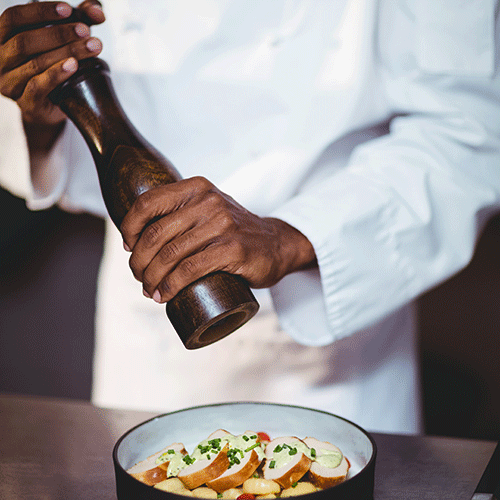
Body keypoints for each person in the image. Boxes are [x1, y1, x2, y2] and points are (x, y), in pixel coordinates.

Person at [1, 0, 499, 435]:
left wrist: (289, 238)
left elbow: (467, 133)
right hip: (148, 345)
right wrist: (39, 119)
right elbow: (29, 51)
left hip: (339, 340)